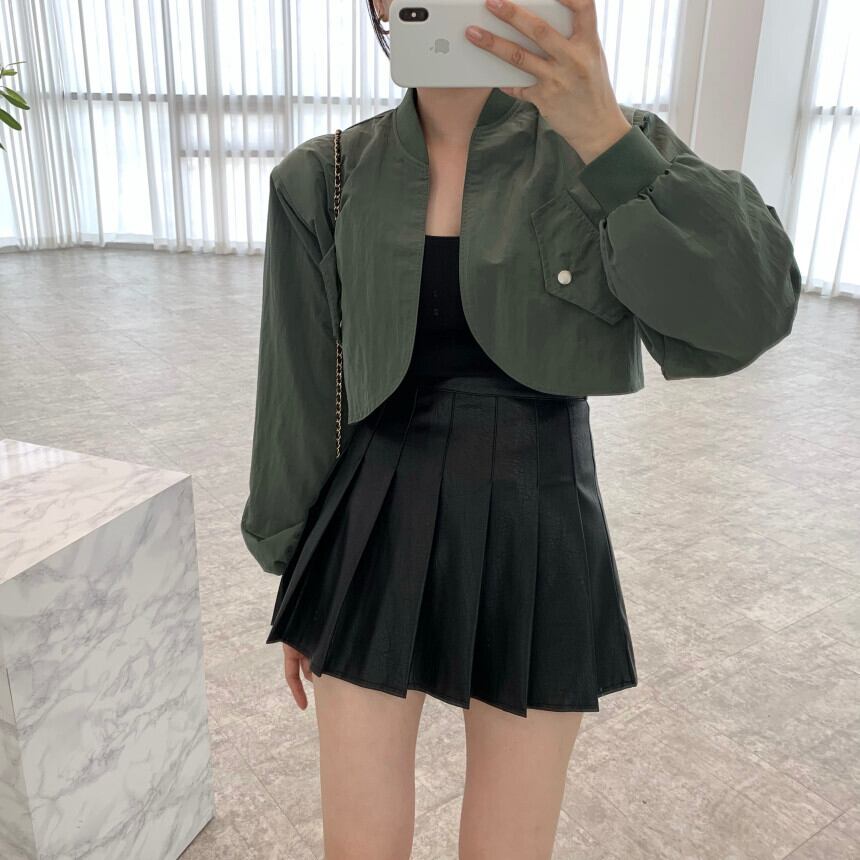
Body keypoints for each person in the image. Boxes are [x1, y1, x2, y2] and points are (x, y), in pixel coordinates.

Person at [240, 1, 802, 857]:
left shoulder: (606, 148)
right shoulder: (323, 178)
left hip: (542, 520)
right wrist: (297, 575)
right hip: (370, 521)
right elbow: (301, 393)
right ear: (381, 4)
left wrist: (605, 135)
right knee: (358, 844)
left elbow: (749, 312)